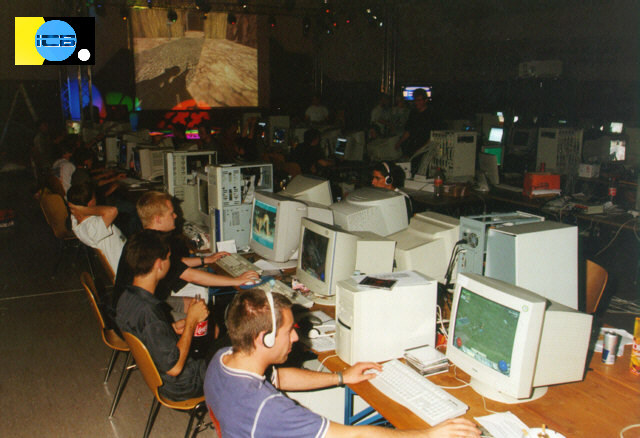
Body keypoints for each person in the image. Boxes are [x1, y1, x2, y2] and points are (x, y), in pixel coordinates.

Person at [204, 289, 481, 438]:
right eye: (289, 330)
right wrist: (429, 435)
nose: (296, 337)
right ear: (264, 339)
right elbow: (356, 436)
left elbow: (280, 378)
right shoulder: (269, 408)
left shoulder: (225, 358)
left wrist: (341, 377)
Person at [113, 191, 259, 312]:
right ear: (158, 219)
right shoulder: (157, 246)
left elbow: (176, 263)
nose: (176, 216)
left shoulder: (142, 239)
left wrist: (205, 259)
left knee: (197, 303)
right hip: (138, 315)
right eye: (171, 213)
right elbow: (191, 276)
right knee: (203, 315)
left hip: (127, 304)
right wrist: (237, 280)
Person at [115, 229, 208, 401]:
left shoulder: (127, 297)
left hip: (160, 377)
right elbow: (174, 368)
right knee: (236, 350)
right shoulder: (149, 312)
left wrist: (170, 328)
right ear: (159, 264)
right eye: (168, 257)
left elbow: (145, 333)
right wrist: (191, 321)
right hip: (184, 384)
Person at [67, 183, 126, 275]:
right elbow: (113, 211)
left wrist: (82, 210)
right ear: (90, 203)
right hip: (125, 269)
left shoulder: (75, 218)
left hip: (126, 256)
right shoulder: (92, 227)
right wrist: (84, 210)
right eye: (95, 197)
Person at [395, 88, 443, 158]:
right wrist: (399, 142)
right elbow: (408, 130)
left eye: (419, 100)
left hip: (425, 149)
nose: (416, 103)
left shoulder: (432, 114)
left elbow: (434, 135)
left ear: (425, 100)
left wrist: (422, 149)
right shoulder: (413, 113)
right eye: (415, 100)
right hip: (413, 147)